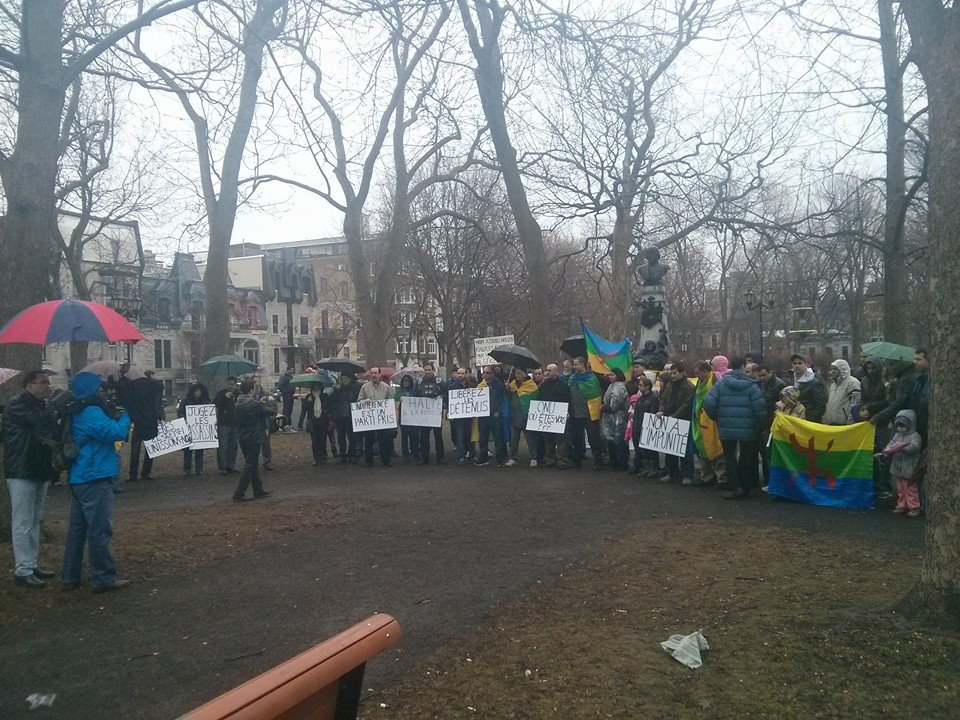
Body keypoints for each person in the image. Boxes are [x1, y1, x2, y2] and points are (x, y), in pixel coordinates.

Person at [61, 372, 132, 592]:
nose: (104, 392)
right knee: (99, 529)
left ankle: (70, 576)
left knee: (77, 530)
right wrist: (126, 415)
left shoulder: (77, 409)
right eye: (100, 389)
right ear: (92, 390)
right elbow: (115, 432)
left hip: (80, 476)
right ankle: (103, 578)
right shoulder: (91, 411)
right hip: (95, 475)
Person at [2, 370, 58, 588]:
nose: (47, 387)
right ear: (29, 385)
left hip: (38, 468)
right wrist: (52, 407)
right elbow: (38, 423)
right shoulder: (17, 405)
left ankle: (31, 563)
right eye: (43, 383)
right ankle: (23, 569)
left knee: (34, 519)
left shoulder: (39, 405)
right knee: (23, 521)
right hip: (22, 469)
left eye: (48, 383)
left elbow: (49, 428)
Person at [703, 356, 767, 500]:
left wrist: (718, 418)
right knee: (747, 457)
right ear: (744, 366)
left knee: (729, 457)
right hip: (748, 427)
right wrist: (759, 426)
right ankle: (747, 487)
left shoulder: (721, 384)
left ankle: (734, 488)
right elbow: (760, 410)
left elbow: (708, 404)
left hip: (726, 427)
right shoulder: (751, 385)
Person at [232, 380, 276, 501]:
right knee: (250, 466)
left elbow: (254, 408)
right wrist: (271, 402)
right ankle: (239, 493)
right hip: (253, 437)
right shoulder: (252, 403)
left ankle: (258, 489)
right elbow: (269, 411)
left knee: (252, 464)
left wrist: (258, 403)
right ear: (251, 390)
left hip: (243, 437)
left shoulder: (239, 402)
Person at [117, 369, 163, 482]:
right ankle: (146, 472)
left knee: (136, 449)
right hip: (150, 421)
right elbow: (159, 388)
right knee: (149, 449)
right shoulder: (152, 388)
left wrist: (121, 375)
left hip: (138, 421)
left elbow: (122, 388)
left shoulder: (134, 388)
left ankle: (133, 474)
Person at [877, 410, 923, 518]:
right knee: (900, 488)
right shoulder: (897, 435)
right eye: (898, 426)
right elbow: (891, 443)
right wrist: (888, 449)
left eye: (903, 426)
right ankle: (902, 505)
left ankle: (914, 507)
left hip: (909, 466)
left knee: (910, 489)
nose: (900, 428)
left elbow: (915, 447)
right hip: (898, 466)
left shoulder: (914, 436)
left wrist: (903, 447)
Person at [657, 362, 695, 484]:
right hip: (670, 418)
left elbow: (686, 405)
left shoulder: (689, 387)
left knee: (684, 449)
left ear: (682, 373)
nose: (672, 375)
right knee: (670, 447)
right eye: (671, 373)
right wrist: (662, 410)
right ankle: (672, 472)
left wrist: (674, 416)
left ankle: (687, 474)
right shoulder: (670, 385)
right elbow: (663, 398)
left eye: (675, 373)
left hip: (683, 420)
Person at [567, 356, 605, 470]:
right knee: (576, 439)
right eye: (573, 364)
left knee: (594, 438)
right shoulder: (572, 378)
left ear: (583, 365)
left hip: (589, 413)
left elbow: (596, 395)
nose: (574, 366)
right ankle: (576, 461)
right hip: (575, 413)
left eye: (576, 364)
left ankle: (598, 462)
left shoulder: (592, 378)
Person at [691, 361, 724, 487]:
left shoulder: (716, 381)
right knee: (702, 447)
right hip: (700, 419)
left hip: (712, 420)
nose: (696, 376)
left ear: (706, 371)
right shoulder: (700, 382)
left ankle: (721, 477)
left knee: (717, 447)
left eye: (698, 373)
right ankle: (707, 475)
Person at [357, 366, 395, 467]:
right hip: (369, 419)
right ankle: (368, 461)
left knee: (384, 440)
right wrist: (364, 401)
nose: (373, 375)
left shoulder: (386, 387)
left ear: (379, 375)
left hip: (381, 419)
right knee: (369, 440)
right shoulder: (364, 387)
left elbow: (390, 402)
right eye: (372, 373)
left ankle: (386, 460)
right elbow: (359, 400)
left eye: (375, 373)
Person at [537, 364, 570, 468]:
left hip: (559, 416)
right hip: (547, 417)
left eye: (549, 370)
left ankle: (562, 460)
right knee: (548, 439)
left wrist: (567, 412)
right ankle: (550, 459)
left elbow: (567, 399)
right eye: (546, 370)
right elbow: (539, 400)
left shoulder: (563, 385)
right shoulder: (543, 386)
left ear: (556, 372)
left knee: (560, 440)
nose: (547, 372)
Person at [476, 365, 508, 467]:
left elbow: (502, 400)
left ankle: (500, 459)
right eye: (484, 372)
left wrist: (498, 411)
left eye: (487, 373)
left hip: (495, 415)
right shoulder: (480, 385)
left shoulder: (498, 385)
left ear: (492, 374)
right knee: (483, 438)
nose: (485, 374)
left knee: (498, 438)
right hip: (483, 416)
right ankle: (483, 458)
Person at [507, 367, 539, 467]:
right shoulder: (512, 384)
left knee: (530, 439)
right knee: (514, 439)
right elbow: (508, 399)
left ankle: (534, 457)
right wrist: (507, 390)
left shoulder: (531, 385)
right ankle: (513, 458)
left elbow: (536, 399)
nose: (517, 375)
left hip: (526, 415)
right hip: (514, 415)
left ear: (524, 374)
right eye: (516, 373)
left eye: (519, 373)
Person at [415, 362, 445, 465]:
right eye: (426, 370)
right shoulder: (419, 382)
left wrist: (441, 397)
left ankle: (440, 457)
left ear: (433, 370)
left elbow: (445, 393)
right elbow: (415, 396)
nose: (427, 372)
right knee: (423, 437)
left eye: (429, 370)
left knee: (438, 436)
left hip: (436, 413)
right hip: (424, 414)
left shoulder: (439, 382)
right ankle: (424, 458)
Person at [177, 382, 210, 476]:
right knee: (188, 451)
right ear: (192, 392)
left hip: (200, 430)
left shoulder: (205, 402)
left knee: (199, 450)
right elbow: (180, 413)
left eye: (199, 391)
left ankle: (199, 469)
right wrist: (185, 421)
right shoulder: (185, 401)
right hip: (188, 429)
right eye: (196, 391)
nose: (198, 393)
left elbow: (209, 414)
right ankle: (187, 469)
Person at [600, 369, 629, 470]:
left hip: (618, 417)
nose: (609, 376)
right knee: (612, 440)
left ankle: (621, 463)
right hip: (611, 418)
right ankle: (615, 462)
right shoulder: (612, 385)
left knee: (619, 441)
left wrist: (602, 408)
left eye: (612, 375)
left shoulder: (618, 387)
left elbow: (614, 405)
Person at [630, 376, 660, 476]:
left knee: (651, 449)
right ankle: (646, 467)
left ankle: (654, 468)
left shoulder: (653, 398)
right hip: (639, 425)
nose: (639, 387)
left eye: (641, 385)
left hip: (648, 426)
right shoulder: (640, 399)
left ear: (648, 387)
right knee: (642, 449)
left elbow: (653, 413)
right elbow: (637, 413)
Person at [331, 373, 360, 463]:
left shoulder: (354, 388)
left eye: (346, 378)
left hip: (350, 416)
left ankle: (352, 454)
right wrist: (336, 391)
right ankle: (343, 455)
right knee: (341, 437)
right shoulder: (337, 390)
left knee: (352, 437)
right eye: (342, 378)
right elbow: (332, 401)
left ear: (350, 379)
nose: (344, 380)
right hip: (340, 417)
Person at [447, 367, 473, 465]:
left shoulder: (471, 386)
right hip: (458, 417)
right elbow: (450, 400)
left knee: (470, 436)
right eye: (459, 373)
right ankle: (461, 456)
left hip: (469, 416)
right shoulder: (452, 387)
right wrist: (450, 412)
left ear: (466, 374)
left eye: (462, 373)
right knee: (460, 436)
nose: (460, 375)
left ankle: (471, 454)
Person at [822, 359, 861, 426]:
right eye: (832, 369)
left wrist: (850, 420)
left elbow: (855, 403)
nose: (832, 372)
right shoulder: (833, 385)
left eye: (835, 369)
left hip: (845, 424)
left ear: (843, 370)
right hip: (831, 424)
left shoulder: (853, 383)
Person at [214, 377, 239, 474]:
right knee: (223, 446)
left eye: (232, 384)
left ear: (235, 385)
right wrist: (225, 397)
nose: (230, 386)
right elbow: (215, 403)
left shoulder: (238, 394)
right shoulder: (221, 393)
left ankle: (231, 465)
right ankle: (222, 467)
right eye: (228, 384)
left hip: (235, 423)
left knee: (233, 446)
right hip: (223, 423)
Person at [791, 354, 827, 422]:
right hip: (795, 422)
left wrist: (809, 420)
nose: (797, 366)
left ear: (805, 364)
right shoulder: (792, 381)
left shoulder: (814, 382)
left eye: (800, 363)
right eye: (794, 363)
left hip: (809, 424)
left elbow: (821, 406)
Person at [394, 375, 421, 462]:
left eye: (407, 381)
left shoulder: (415, 391)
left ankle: (415, 452)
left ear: (410, 382)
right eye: (404, 380)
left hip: (414, 417)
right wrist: (399, 401)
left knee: (415, 436)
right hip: (403, 417)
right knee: (405, 436)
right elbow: (395, 403)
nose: (406, 382)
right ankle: (406, 455)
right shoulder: (399, 391)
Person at [909, 349, 930, 448]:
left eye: (919, 359)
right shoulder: (919, 380)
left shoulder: (930, 380)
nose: (915, 362)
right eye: (914, 359)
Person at [277, 367, 296, 432]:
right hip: (286, 395)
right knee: (286, 410)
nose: (292, 371)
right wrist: (286, 392)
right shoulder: (283, 377)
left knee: (290, 410)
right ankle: (284, 424)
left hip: (291, 395)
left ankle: (289, 423)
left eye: (293, 370)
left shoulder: (291, 377)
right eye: (291, 370)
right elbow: (280, 386)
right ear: (288, 370)